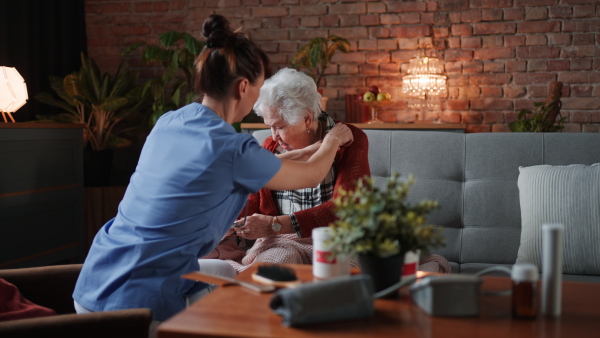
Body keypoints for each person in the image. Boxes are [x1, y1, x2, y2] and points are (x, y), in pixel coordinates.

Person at [72, 14, 353, 329]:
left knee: (226, 274)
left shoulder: (169, 122)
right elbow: (313, 175)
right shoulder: (233, 149)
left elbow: (271, 166)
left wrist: (307, 149)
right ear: (244, 86)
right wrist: (331, 141)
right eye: (259, 88)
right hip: (136, 304)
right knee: (260, 308)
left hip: (95, 279)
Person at [202, 68, 370, 271]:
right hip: (280, 242)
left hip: (335, 240)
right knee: (273, 263)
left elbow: (345, 209)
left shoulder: (350, 139)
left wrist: (275, 224)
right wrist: (230, 223)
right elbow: (252, 204)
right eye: (269, 126)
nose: (273, 137)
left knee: (339, 272)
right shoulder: (270, 147)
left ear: (306, 119)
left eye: (279, 127)